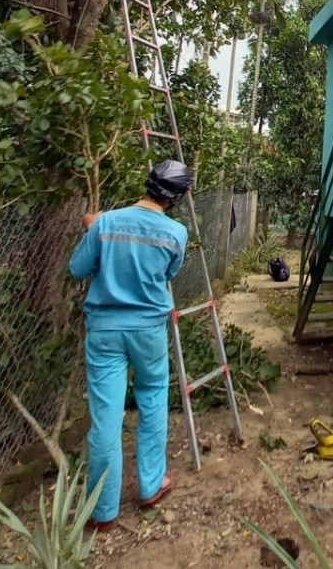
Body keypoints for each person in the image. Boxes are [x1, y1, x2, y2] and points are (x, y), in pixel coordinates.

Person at [69, 160, 191, 532]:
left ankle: (103, 511)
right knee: (153, 398)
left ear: (148, 183)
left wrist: (93, 230)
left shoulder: (105, 223)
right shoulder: (176, 233)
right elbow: (168, 273)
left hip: (104, 331)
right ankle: (151, 486)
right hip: (149, 331)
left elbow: (77, 268)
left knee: (106, 417)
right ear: (178, 197)